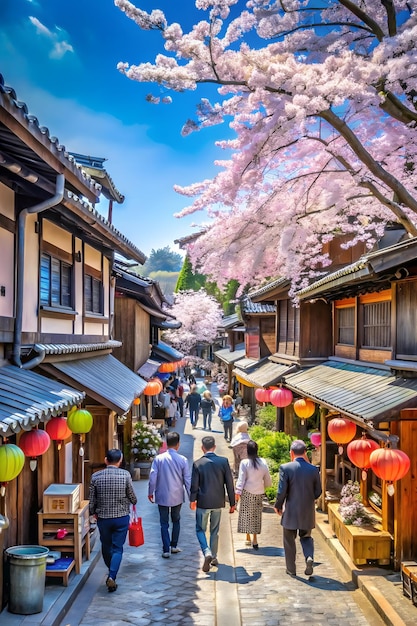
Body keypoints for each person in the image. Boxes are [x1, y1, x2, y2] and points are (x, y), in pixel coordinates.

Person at [89, 449, 137, 592]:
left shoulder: (96, 476)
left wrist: (92, 513)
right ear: (120, 461)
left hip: (103, 517)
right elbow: (133, 498)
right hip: (121, 517)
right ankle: (112, 576)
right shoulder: (125, 475)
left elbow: (92, 500)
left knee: (106, 545)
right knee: (117, 548)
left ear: (106, 460)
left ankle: (111, 572)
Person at [274, 439, 322, 578]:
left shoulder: (286, 468)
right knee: (306, 537)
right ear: (305, 453)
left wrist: (278, 505)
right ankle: (308, 557)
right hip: (307, 510)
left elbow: (281, 491)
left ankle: (291, 569)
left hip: (291, 510)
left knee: (289, 540)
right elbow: (318, 491)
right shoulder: (313, 470)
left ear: (291, 453)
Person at [190, 435, 236, 572]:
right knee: (214, 530)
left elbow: (194, 485)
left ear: (202, 448)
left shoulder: (198, 464)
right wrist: (232, 503)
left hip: (203, 503)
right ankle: (214, 556)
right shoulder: (223, 461)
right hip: (218, 502)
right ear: (214, 447)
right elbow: (229, 483)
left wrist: (192, 500)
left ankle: (206, 551)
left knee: (200, 529)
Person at [148, 431, 191, 558]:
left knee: (164, 523)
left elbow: (153, 477)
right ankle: (174, 545)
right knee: (176, 520)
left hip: (162, 494)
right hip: (177, 495)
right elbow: (187, 479)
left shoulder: (158, 459)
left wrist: (150, 492)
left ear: (166, 444)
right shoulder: (183, 460)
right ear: (178, 444)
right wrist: (191, 497)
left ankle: (166, 549)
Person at [235, 440, 272, 549]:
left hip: (247, 491)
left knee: (246, 515)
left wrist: (238, 491)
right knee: (256, 515)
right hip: (259, 492)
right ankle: (255, 539)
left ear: (247, 451)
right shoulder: (263, 462)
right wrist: (266, 486)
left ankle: (247, 537)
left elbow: (241, 479)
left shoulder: (245, 463)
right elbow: (267, 478)